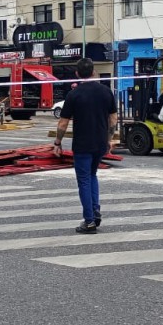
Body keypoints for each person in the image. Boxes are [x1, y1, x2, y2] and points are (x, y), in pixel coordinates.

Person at [53, 58, 117, 234]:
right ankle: (95, 210)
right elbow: (113, 119)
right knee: (92, 175)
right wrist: (109, 139)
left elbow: (63, 123)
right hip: (100, 143)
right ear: (94, 72)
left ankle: (89, 221)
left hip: (82, 144)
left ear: (77, 74)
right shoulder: (106, 92)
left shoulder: (74, 95)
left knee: (84, 180)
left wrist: (57, 142)